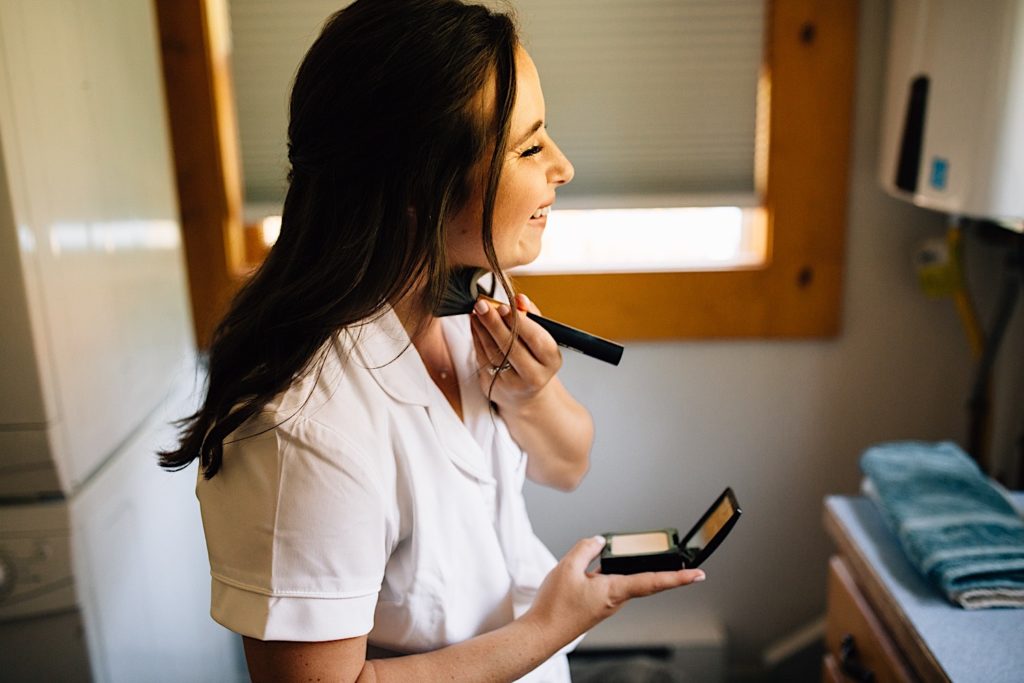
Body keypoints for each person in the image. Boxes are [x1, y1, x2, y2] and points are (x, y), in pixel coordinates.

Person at [159, 1, 706, 680]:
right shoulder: (301, 427)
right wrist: (552, 625)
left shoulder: (460, 296)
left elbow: (569, 464)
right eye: (530, 147)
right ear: (422, 186)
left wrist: (533, 394)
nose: (562, 167)